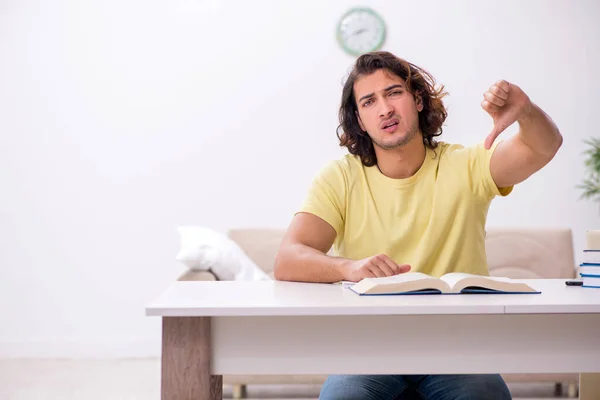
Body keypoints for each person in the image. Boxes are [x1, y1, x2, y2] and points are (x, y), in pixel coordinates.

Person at [272, 51, 562, 400]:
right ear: (360, 121)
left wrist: (526, 111)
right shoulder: (339, 178)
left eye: (394, 93)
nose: (385, 109)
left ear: (418, 100)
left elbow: (544, 146)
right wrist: (348, 268)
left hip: (458, 352)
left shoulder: (465, 165)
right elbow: (287, 258)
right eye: (369, 101)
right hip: (369, 352)